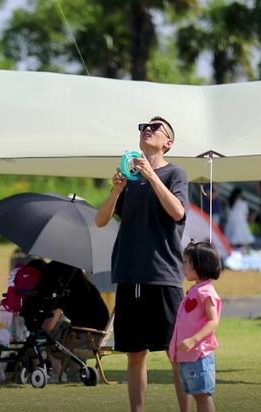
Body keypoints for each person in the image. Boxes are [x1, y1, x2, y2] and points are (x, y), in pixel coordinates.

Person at [95, 116, 190, 412]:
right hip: (130, 274)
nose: (146, 130)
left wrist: (151, 175)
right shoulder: (129, 179)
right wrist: (116, 190)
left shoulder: (176, 173)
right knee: (135, 353)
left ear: (168, 143)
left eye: (154, 128)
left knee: (176, 352)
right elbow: (100, 221)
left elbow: (177, 212)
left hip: (163, 275)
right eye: (143, 127)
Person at [169, 241, 222, 412]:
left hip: (199, 354)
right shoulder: (195, 290)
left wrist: (193, 340)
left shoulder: (205, 291)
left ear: (198, 266)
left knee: (202, 396)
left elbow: (213, 320)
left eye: (186, 262)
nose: (182, 266)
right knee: (197, 394)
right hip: (189, 355)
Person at [35, 261, 110, 382]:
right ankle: (75, 371)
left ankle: (58, 371)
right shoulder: (89, 289)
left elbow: (48, 326)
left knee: (47, 335)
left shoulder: (67, 295)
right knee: (71, 331)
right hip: (102, 339)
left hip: (87, 341)